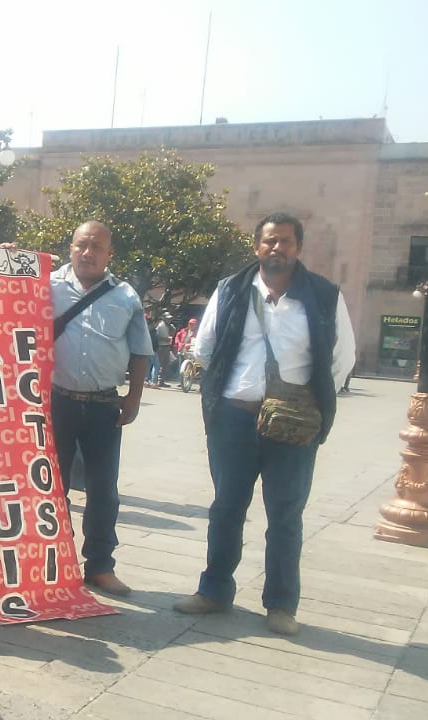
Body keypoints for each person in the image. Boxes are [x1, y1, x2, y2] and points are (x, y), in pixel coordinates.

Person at [173, 212, 354, 636]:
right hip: (235, 421)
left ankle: (280, 604)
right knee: (226, 509)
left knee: (286, 515)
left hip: (293, 426)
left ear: (298, 248)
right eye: (270, 241)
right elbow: (205, 346)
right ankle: (214, 591)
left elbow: (342, 358)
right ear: (257, 246)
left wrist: (311, 405)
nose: (278, 248)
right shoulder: (232, 289)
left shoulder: (325, 295)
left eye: (286, 242)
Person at [48, 221, 152, 597]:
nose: (88, 253)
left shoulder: (125, 296)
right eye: (81, 245)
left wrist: (134, 398)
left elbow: (141, 351)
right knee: (51, 488)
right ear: (70, 248)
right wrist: (13, 258)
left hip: (104, 405)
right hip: (55, 402)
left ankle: (100, 566)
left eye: (97, 247)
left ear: (109, 254)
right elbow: (4, 295)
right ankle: (56, 562)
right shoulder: (46, 282)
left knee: (103, 490)